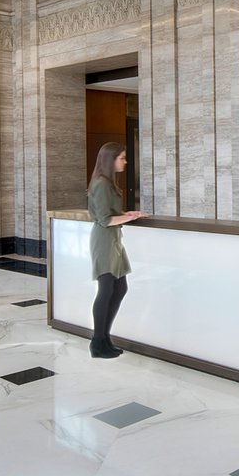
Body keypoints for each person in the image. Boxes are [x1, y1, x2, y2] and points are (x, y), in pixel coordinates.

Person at [87, 142, 145, 358]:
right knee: (106, 290)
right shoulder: (101, 183)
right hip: (104, 240)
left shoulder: (108, 183)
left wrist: (127, 213)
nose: (125, 161)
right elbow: (104, 219)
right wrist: (130, 217)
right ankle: (98, 341)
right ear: (110, 159)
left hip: (112, 239)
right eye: (122, 157)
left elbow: (110, 212)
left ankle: (104, 338)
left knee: (119, 288)